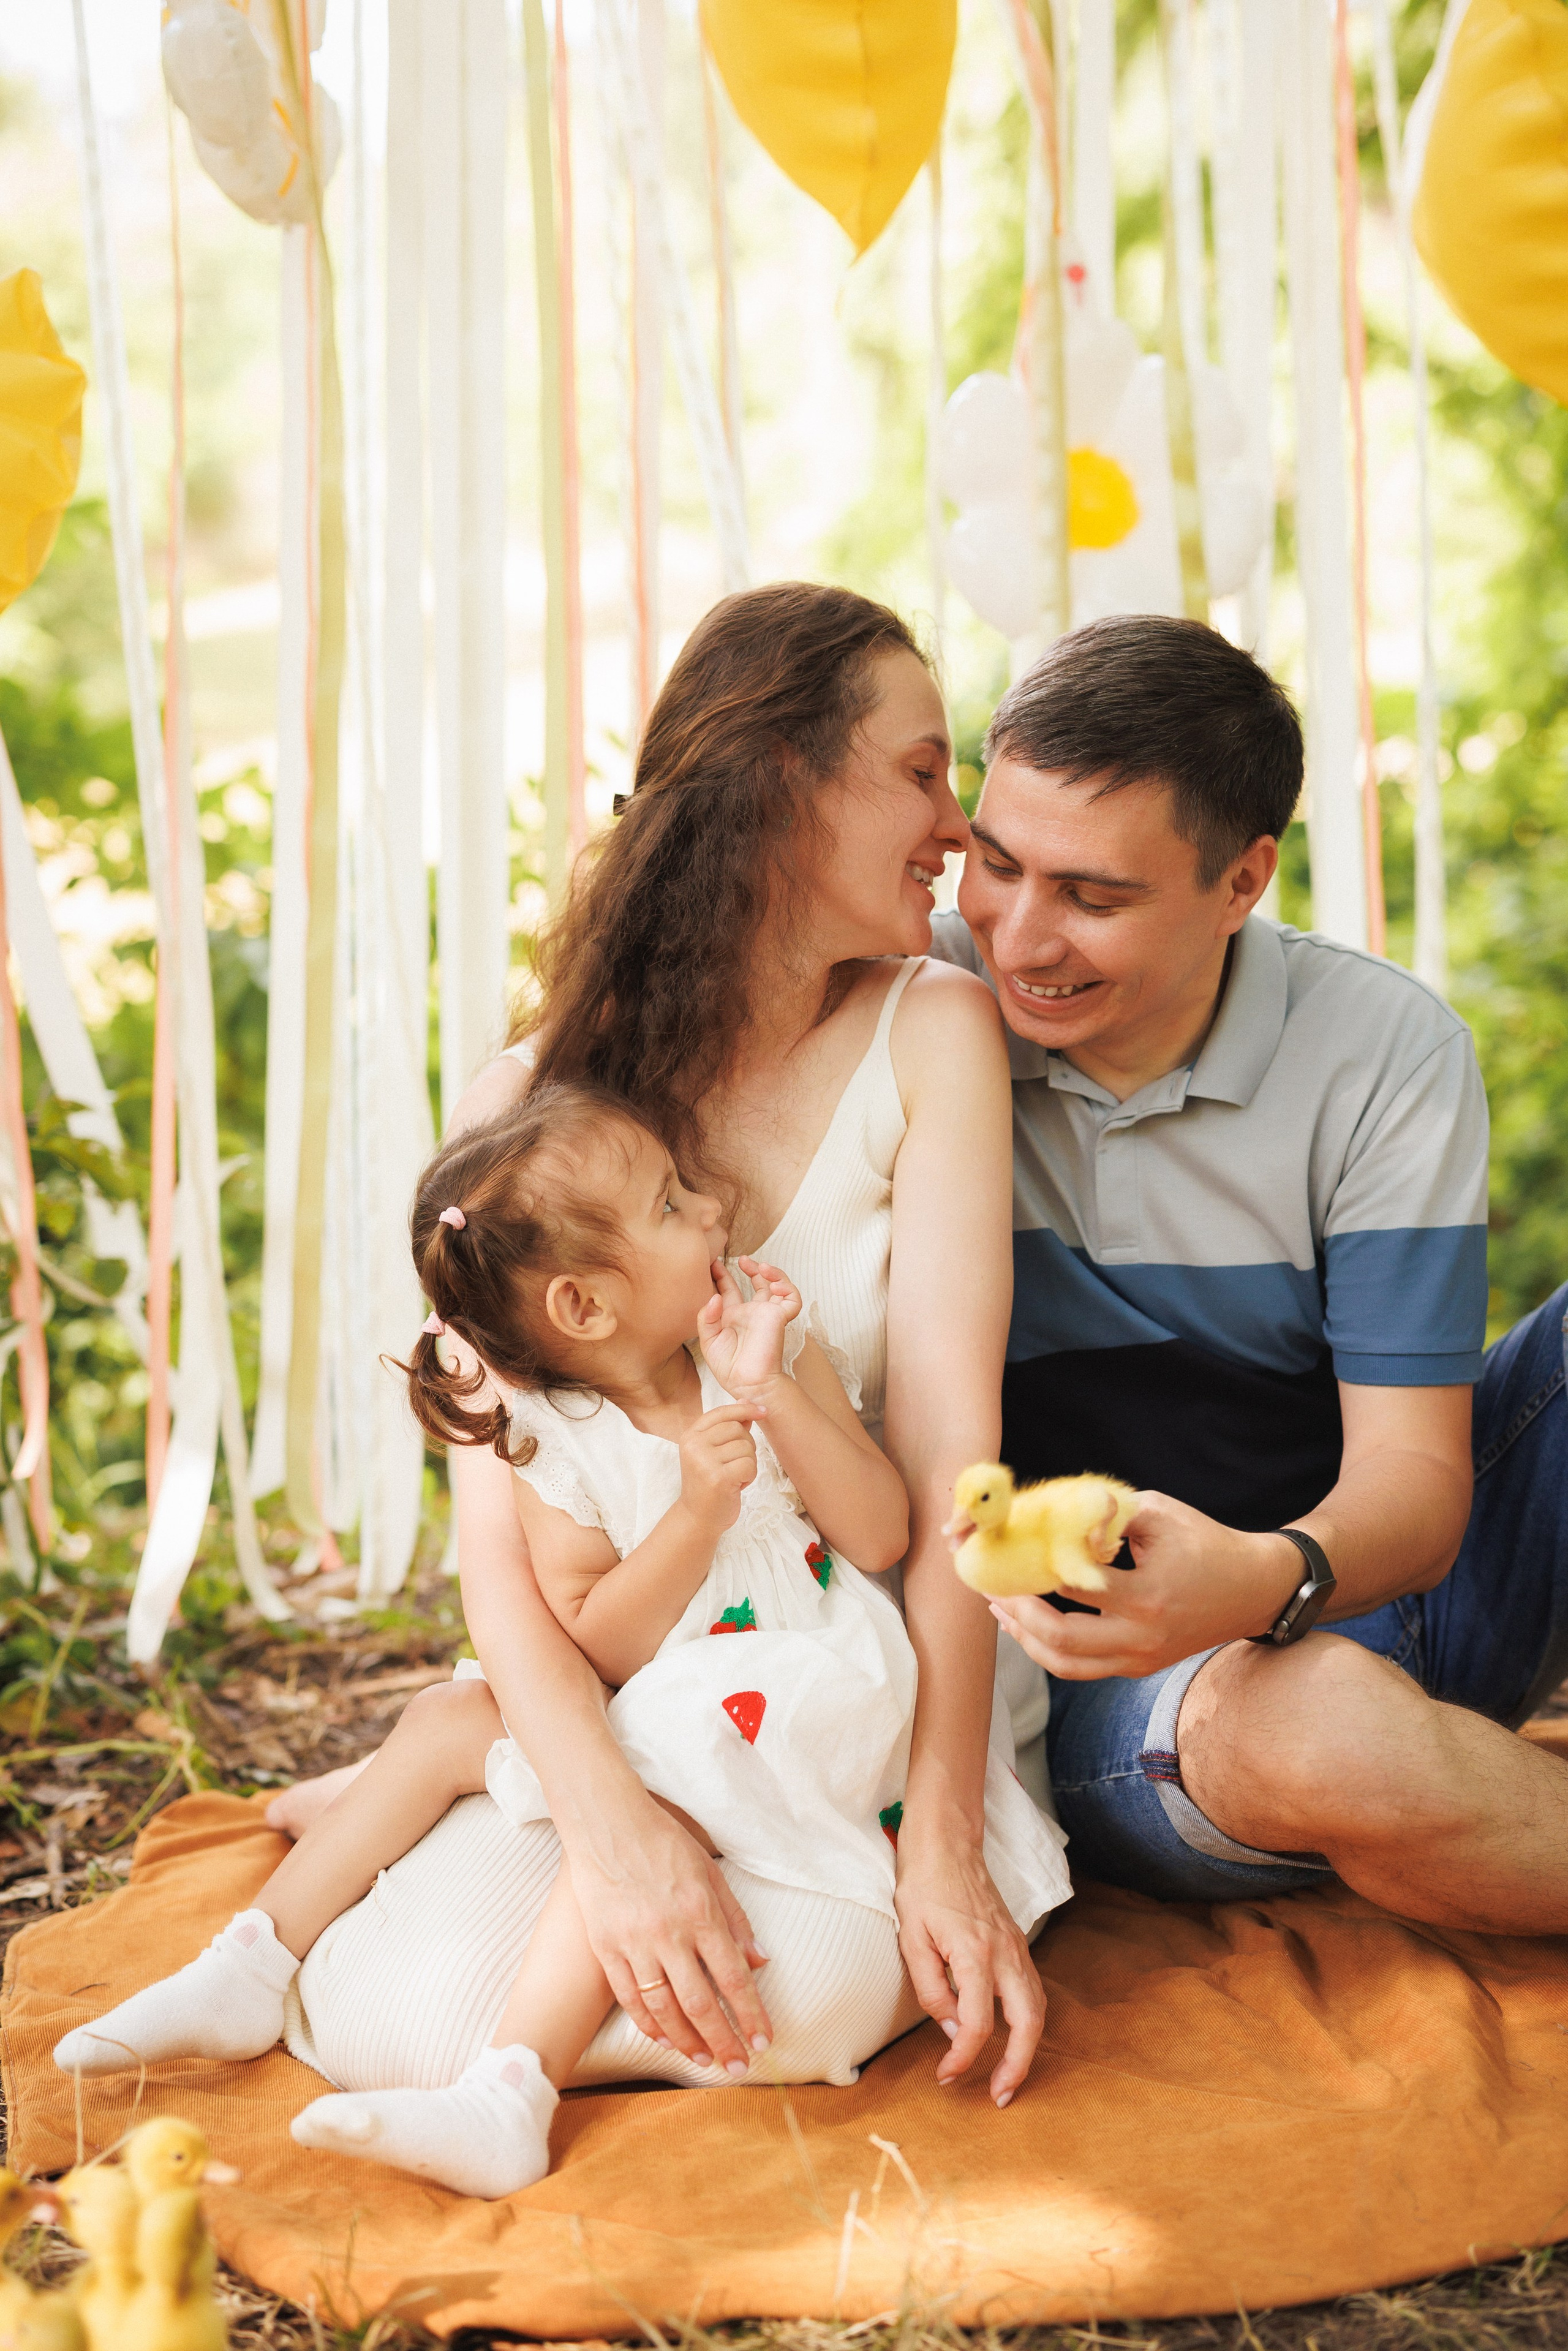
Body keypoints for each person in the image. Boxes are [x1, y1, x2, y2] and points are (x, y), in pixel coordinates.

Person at [258, 582, 1054, 2110]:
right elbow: (499, 1555)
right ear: (776, 784)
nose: (954, 827)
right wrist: (614, 1821)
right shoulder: (520, 1113)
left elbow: (955, 1465)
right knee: (393, 2026)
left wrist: (944, 1829)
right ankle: (486, 1820)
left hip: (859, 1694)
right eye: (918, 769)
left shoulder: (933, 1031)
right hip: (626, 1684)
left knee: (791, 2011)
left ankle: (428, 1810)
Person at [55, 1087, 1070, 2196]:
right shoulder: (554, 1441)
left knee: (661, 1783)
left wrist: (770, 1390)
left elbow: (881, 1528)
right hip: (660, 1681)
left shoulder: (780, 1345)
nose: (717, 1211)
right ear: (585, 1305)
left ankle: (509, 2090)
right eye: (675, 1205)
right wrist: (692, 1519)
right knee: (449, 1715)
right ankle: (249, 1961)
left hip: (807, 1680)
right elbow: (598, 1643)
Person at [931, 611, 1568, 1931]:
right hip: (1103, 1675)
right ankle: (1421, 1791)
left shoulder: (1380, 1048)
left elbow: (1412, 1480)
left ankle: (1440, 1795)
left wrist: (1267, 1573)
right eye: (994, 864)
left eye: (1092, 896)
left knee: (1355, 1711)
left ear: (1240, 882)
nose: (1018, 938)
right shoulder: (913, 1011)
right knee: (1335, 1733)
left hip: (1359, 1579)